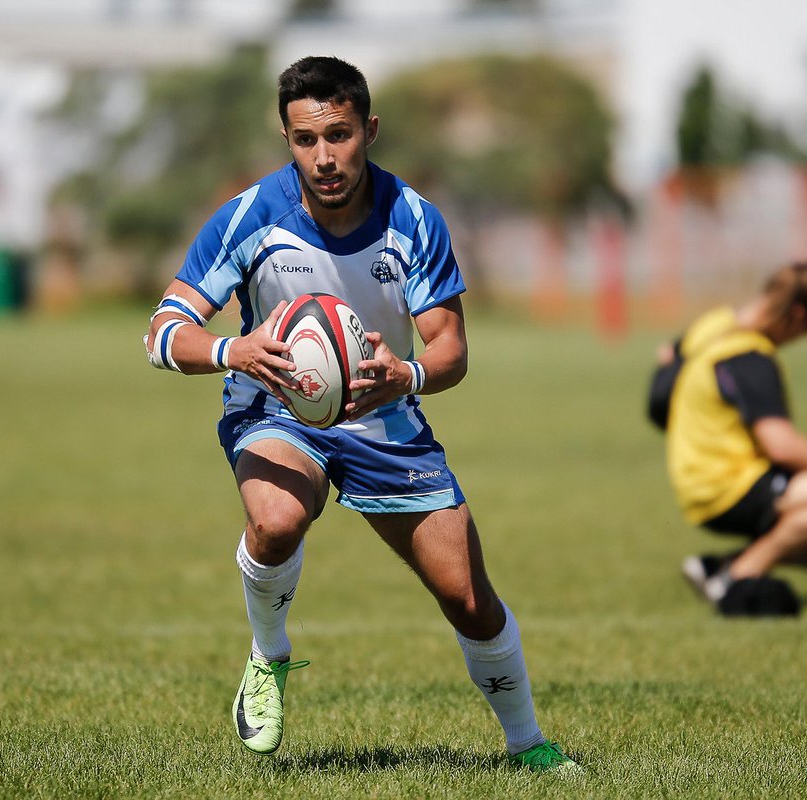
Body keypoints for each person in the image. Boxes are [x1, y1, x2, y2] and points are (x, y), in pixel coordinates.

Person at [143, 56, 577, 772]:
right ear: (287, 140)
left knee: (468, 598)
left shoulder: (413, 219)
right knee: (276, 521)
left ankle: (527, 744)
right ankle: (268, 653)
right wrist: (233, 351)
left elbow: (451, 349)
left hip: (386, 418)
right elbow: (163, 330)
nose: (324, 157)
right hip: (278, 410)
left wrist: (406, 374)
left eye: (338, 135)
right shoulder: (251, 216)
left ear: (368, 130)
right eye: (305, 139)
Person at [656, 262, 807, 613]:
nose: (803, 336)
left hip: (692, 478)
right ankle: (737, 579)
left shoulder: (713, 323)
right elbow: (781, 445)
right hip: (727, 484)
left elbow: (666, 357)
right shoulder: (750, 356)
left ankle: (718, 568)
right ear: (797, 313)